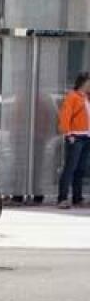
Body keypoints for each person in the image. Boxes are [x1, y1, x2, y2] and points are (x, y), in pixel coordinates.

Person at [57, 72, 90, 209]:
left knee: (81, 169)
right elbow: (65, 115)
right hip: (75, 136)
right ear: (84, 82)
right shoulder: (72, 97)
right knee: (70, 168)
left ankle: (77, 197)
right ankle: (62, 198)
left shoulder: (86, 98)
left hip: (86, 136)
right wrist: (68, 133)